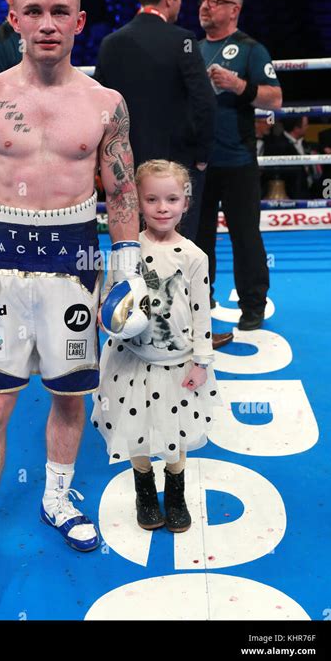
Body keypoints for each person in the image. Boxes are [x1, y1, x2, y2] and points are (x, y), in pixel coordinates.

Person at [0, 0, 150, 605]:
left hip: (75, 263)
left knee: (69, 396)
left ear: (80, 21)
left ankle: (58, 498)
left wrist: (127, 269)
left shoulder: (106, 104)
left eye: (60, 11)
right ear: (13, 17)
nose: (47, 23)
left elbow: (119, 189)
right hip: (2, 262)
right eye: (33, 11)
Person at [94, 0, 231, 350]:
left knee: (130, 245)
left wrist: (104, 166)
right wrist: (202, 157)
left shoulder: (111, 43)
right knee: (180, 248)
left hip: (125, 170)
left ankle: (131, 323)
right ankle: (187, 335)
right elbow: (206, 104)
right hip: (175, 171)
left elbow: (100, 108)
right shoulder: (182, 41)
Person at [91, 160, 221, 533]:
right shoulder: (124, 253)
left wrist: (202, 360)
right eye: (152, 199)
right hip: (132, 361)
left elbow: (200, 313)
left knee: (177, 431)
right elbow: (111, 301)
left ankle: (175, 494)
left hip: (178, 364)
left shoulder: (195, 256)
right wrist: (105, 316)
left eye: (171, 199)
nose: (162, 207)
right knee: (137, 429)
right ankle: (145, 493)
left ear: (186, 202)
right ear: (138, 202)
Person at [196, 0, 283, 331]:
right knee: (197, 238)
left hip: (238, 161)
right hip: (199, 162)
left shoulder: (251, 49)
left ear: (234, 9)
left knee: (245, 235)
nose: (205, 6)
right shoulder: (192, 48)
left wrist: (238, 86)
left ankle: (252, 304)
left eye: (215, 1)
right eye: (203, 0)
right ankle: (200, 301)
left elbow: (274, 99)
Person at [264, 116, 317, 199]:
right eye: (306, 125)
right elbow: (275, 173)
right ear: (296, 128)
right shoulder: (277, 145)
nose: (308, 127)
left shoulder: (305, 143)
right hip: (288, 196)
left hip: (309, 193)